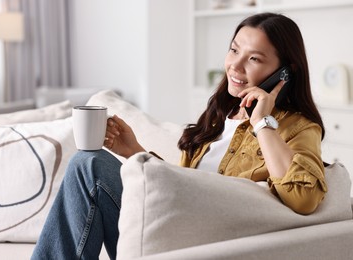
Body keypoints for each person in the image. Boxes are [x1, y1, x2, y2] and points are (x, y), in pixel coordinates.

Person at [31, 12, 327, 260]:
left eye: (254, 59)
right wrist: (134, 151)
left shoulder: (297, 128)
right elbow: (182, 188)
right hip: (174, 226)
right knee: (89, 162)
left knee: (89, 165)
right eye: (234, 50)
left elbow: (304, 198)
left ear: (285, 72)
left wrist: (262, 122)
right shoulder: (216, 119)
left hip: (204, 242)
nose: (235, 66)